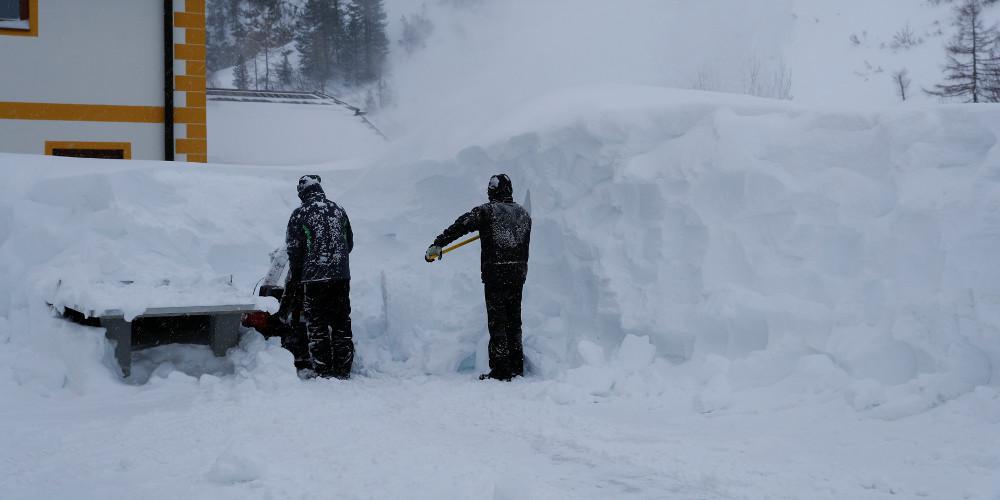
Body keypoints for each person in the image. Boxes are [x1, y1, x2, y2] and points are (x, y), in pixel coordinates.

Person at [425, 174, 532, 381]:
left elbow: (461, 225)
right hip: (518, 273)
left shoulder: (487, 212)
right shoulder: (524, 214)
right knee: (514, 320)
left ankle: (501, 370)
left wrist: (439, 243)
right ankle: (516, 366)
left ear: (492, 192)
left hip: (496, 273)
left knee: (498, 321)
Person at [283, 175, 354, 379]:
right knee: (341, 321)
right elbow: (348, 243)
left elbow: (294, 251)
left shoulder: (300, 214)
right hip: (341, 277)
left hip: (314, 278)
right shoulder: (338, 209)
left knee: (317, 323)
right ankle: (343, 369)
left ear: (302, 193)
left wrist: (296, 278)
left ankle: (324, 370)